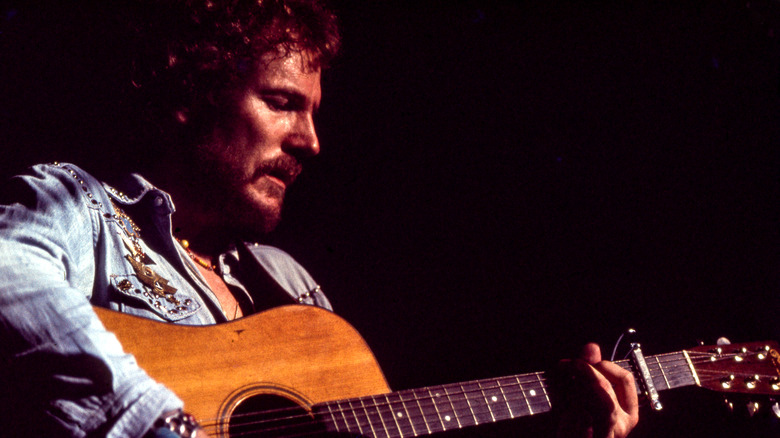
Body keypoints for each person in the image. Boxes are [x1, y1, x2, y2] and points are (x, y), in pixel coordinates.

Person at [0, 1, 637, 437]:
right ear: (191, 96)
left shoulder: (288, 286)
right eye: (282, 103)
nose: (310, 140)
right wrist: (159, 424)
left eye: (314, 113)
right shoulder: (82, 209)